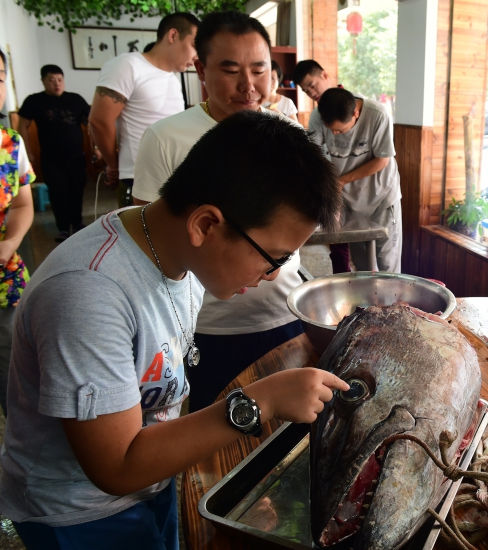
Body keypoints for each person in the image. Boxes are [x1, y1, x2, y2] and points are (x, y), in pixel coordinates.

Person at [0, 110, 348, 549]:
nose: (275, 274)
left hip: (149, 484)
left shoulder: (175, 253)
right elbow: (117, 467)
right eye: (272, 257)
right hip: (79, 515)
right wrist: (262, 400)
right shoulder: (87, 295)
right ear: (205, 225)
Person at [132, 11, 307, 412]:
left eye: (259, 70)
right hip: (205, 327)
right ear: (200, 69)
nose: (248, 85)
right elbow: (149, 239)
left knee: (288, 429)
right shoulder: (166, 138)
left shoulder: (290, 135)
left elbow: (300, 220)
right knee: (215, 432)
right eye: (230, 71)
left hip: (282, 313)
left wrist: (274, 260)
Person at [89, 12, 199, 208]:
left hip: (174, 177)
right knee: (139, 228)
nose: (197, 56)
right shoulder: (128, 65)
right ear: (173, 35)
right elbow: (99, 121)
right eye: (194, 46)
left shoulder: (172, 80)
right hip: (138, 178)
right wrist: (114, 165)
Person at [316, 87, 402, 273]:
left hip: (381, 196)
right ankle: (366, 294)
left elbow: (382, 160)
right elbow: (314, 155)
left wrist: (341, 181)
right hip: (350, 200)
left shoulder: (377, 115)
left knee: (388, 262)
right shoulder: (319, 115)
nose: (334, 134)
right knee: (361, 264)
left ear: (356, 113)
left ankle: (391, 292)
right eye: (331, 130)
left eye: (339, 130)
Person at [16, 64, 90, 242]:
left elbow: (91, 124)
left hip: (76, 156)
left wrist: (96, 148)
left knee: (77, 189)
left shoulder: (75, 99)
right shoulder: (35, 101)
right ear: (43, 81)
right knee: (57, 192)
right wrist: (26, 152)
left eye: (60, 79)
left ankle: (77, 223)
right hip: (51, 158)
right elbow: (22, 125)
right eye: (51, 80)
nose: (57, 84)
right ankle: (63, 228)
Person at [0, 49, 35, 418]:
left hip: (5, 280)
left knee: (12, 372)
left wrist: (10, 242)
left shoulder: (10, 144)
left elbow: (23, 205)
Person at [293, 58, 352, 272]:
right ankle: (342, 282)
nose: (311, 92)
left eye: (312, 85)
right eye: (305, 90)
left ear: (324, 75)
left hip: (361, 187)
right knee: (337, 241)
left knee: (368, 247)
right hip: (333, 183)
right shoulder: (316, 116)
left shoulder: (352, 105)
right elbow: (315, 151)